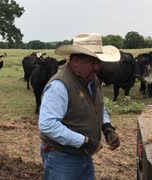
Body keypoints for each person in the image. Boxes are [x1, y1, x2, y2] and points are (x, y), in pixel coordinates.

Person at [38, 33, 120, 180]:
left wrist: (107, 126)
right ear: (75, 61)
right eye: (92, 62)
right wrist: (84, 141)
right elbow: (47, 124)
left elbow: (98, 106)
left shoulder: (91, 80)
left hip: (83, 154)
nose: (97, 67)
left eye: (98, 62)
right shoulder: (59, 85)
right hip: (61, 157)